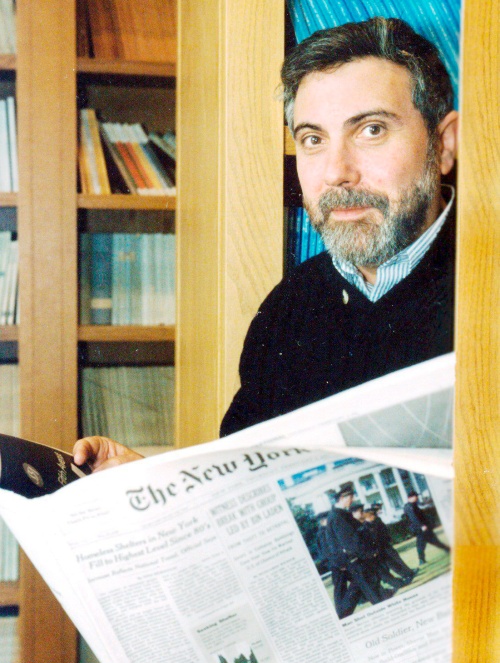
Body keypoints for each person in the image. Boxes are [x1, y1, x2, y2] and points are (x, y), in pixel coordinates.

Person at [72, 17, 458, 470]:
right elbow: (241, 483)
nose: (336, 172)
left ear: (444, 145)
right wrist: (146, 481)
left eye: (371, 130)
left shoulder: (486, 291)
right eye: (313, 139)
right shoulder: (288, 306)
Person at [324, 485, 389, 618]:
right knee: (367, 586)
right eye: (350, 497)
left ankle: (343, 615)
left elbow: (358, 532)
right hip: (354, 559)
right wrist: (368, 553)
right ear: (342, 498)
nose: (352, 500)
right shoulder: (337, 516)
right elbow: (350, 541)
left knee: (362, 586)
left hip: (352, 559)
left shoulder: (340, 514)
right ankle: (343, 616)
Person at [403, 490, 450, 565]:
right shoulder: (409, 507)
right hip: (420, 529)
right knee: (421, 544)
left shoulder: (413, 505)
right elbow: (413, 518)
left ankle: (447, 549)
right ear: (410, 497)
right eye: (416, 496)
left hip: (422, 528)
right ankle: (422, 560)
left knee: (431, 541)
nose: (417, 497)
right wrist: (421, 526)